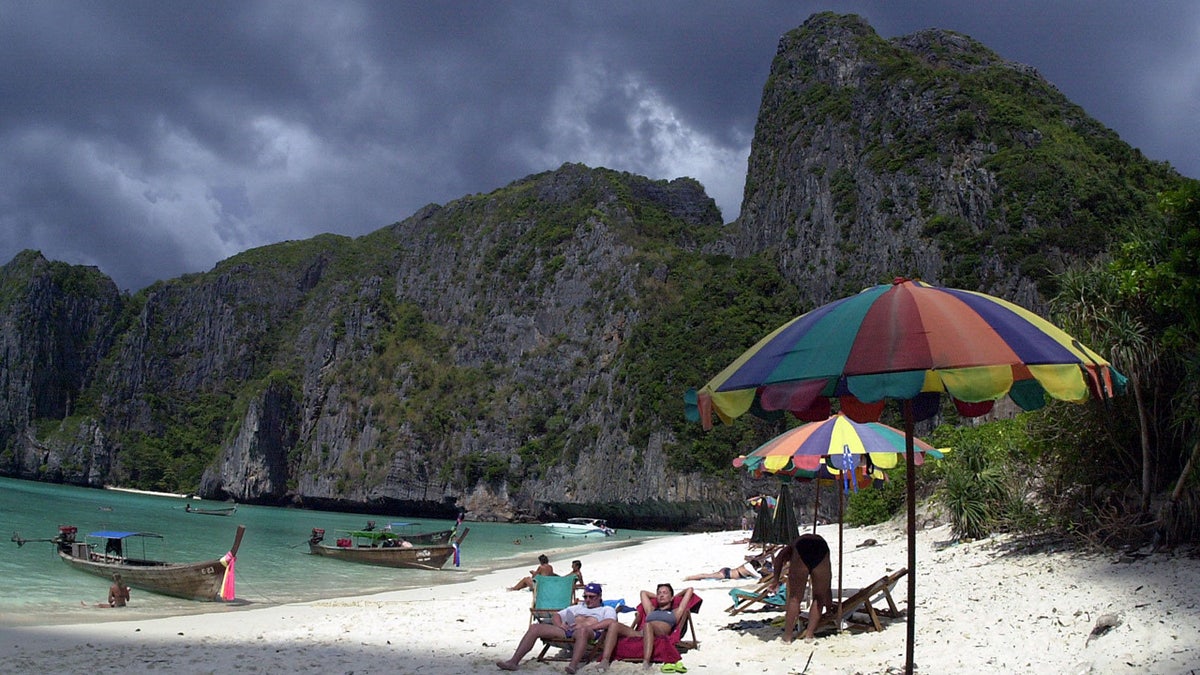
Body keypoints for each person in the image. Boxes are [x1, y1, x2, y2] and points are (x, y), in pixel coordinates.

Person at [497, 582, 617, 674]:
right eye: (585, 597)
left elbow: (610, 622)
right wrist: (560, 625)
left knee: (582, 630)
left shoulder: (606, 609)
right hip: (568, 631)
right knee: (535, 628)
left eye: (592, 597)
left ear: (600, 596)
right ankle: (513, 662)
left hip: (589, 633)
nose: (588, 600)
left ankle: (573, 665)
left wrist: (589, 626)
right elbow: (557, 615)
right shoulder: (578, 607)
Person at [596, 583, 694, 669]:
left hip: (659, 633)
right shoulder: (651, 609)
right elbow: (643, 593)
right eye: (659, 593)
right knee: (614, 625)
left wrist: (675, 597)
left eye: (665, 593)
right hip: (642, 633)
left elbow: (689, 590)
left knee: (648, 625)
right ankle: (605, 660)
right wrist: (659, 596)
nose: (661, 595)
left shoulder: (676, 612)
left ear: (672, 597)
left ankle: (646, 662)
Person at [768, 533, 833, 643]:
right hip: (821, 549)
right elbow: (827, 589)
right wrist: (829, 610)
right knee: (819, 597)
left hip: (801, 548)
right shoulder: (797, 543)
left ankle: (787, 637)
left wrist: (775, 580)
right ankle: (809, 635)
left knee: (795, 598)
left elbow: (779, 558)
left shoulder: (792, 546)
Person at [683, 552, 772, 581]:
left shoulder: (747, 565)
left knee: (709, 575)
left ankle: (691, 577)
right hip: (727, 574)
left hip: (728, 570)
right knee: (707, 575)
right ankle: (689, 577)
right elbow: (758, 577)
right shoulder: (750, 569)